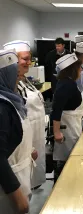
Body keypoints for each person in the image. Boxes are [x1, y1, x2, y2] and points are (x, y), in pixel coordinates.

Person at [4, 40, 46, 190]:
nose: (29, 62)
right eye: (24, 59)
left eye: (30, 58)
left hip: (34, 136)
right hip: (20, 148)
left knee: (31, 182)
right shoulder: (9, 87)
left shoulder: (25, 80)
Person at [0, 49, 32, 214]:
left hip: (21, 175)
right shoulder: (2, 107)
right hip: (7, 190)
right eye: (15, 72)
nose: (19, 75)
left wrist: (28, 151)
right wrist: (16, 194)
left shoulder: (11, 99)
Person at [51, 54, 83, 183]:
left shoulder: (70, 82)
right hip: (66, 127)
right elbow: (56, 109)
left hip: (72, 123)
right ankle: (63, 185)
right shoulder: (65, 84)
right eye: (79, 68)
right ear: (72, 69)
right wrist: (57, 132)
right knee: (67, 159)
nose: (81, 70)